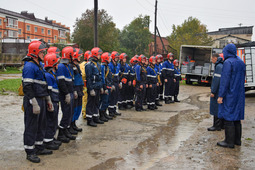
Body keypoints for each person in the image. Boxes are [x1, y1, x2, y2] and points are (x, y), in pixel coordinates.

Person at [22, 40, 53, 163]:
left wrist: (47, 99)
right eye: (42, 52)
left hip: (41, 98)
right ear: (35, 52)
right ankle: (30, 151)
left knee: (41, 124)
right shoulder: (29, 66)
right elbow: (27, 87)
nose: (43, 54)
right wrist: (33, 102)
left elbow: (42, 84)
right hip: (33, 100)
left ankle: (39, 146)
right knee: (31, 126)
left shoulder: (38, 65)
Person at [217, 44, 246, 148]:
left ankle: (229, 142)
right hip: (240, 93)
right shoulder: (241, 63)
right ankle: (237, 140)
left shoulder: (228, 63)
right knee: (237, 117)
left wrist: (221, 95)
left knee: (229, 115)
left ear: (227, 51)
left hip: (230, 94)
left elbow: (225, 81)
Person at [57, 46, 76, 141]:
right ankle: (61, 133)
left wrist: (73, 91)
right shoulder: (61, 66)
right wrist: (66, 94)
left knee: (70, 113)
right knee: (66, 113)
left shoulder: (68, 65)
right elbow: (61, 82)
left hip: (70, 92)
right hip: (65, 94)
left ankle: (66, 130)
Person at [43, 53, 62, 150]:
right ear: (53, 64)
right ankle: (47, 141)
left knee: (54, 120)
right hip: (52, 101)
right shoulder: (49, 76)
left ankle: (51, 138)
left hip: (55, 100)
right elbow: (49, 91)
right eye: (57, 63)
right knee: (50, 121)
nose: (58, 65)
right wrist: (49, 103)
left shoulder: (52, 74)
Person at [85, 47, 104, 127]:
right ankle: (89, 119)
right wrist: (91, 89)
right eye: (99, 54)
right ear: (95, 54)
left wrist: (101, 87)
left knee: (96, 103)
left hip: (97, 86)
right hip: (92, 87)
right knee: (90, 103)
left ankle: (96, 117)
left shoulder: (98, 64)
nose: (100, 56)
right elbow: (88, 78)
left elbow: (100, 77)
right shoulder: (89, 65)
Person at [207, 53, 224, 131]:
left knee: (215, 107)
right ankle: (221, 125)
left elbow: (216, 80)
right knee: (219, 107)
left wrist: (213, 91)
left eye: (212, 59)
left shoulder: (218, 67)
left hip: (217, 91)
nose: (211, 60)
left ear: (215, 58)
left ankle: (216, 126)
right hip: (220, 90)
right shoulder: (221, 65)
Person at [69, 48, 84, 134]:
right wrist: (74, 90)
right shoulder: (71, 66)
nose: (80, 57)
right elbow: (71, 79)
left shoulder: (77, 66)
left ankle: (74, 124)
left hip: (80, 89)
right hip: (75, 89)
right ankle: (70, 125)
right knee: (73, 108)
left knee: (78, 107)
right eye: (79, 56)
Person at [99, 52, 114, 121]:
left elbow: (109, 77)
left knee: (107, 101)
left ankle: (104, 113)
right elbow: (102, 77)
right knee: (103, 101)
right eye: (109, 58)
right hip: (105, 86)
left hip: (108, 85)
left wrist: (111, 85)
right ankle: (101, 114)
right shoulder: (102, 67)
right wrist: (104, 87)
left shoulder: (107, 66)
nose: (110, 59)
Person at [108, 51, 121, 117]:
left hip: (116, 82)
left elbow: (118, 75)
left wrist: (119, 82)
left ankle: (114, 110)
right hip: (112, 83)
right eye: (116, 57)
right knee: (112, 97)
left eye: (117, 57)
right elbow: (110, 76)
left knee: (116, 97)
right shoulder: (110, 65)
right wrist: (111, 84)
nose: (117, 58)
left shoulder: (117, 65)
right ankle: (110, 111)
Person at [80, 51, 91, 119]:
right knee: (85, 99)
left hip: (89, 84)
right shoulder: (83, 64)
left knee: (89, 99)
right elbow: (83, 74)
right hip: (84, 84)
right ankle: (84, 113)